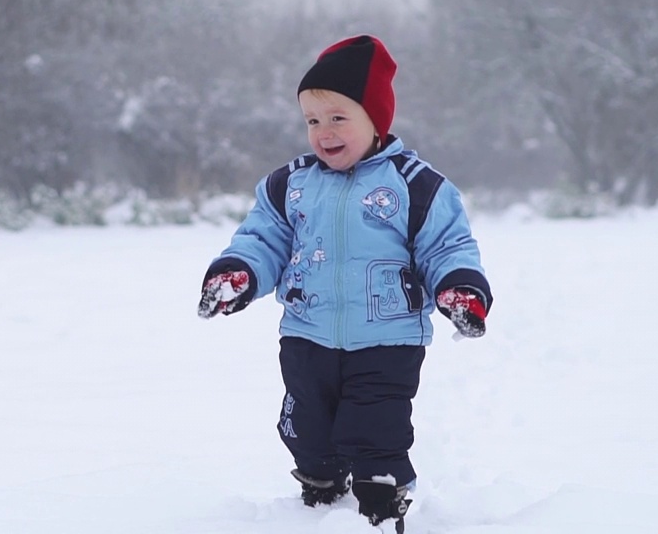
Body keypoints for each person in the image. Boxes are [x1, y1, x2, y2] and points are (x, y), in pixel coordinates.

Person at [196, 34, 491, 530]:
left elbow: (447, 247)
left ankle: (380, 506)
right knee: (307, 430)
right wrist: (238, 273)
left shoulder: (416, 185)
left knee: (374, 432)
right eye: (313, 121)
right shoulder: (291, 185)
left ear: (375, 120)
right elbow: (263, 241)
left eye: (338, 118)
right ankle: (319, 496)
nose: (323, 132)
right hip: (306, 334)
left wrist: (458, 287)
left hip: (386, 340)